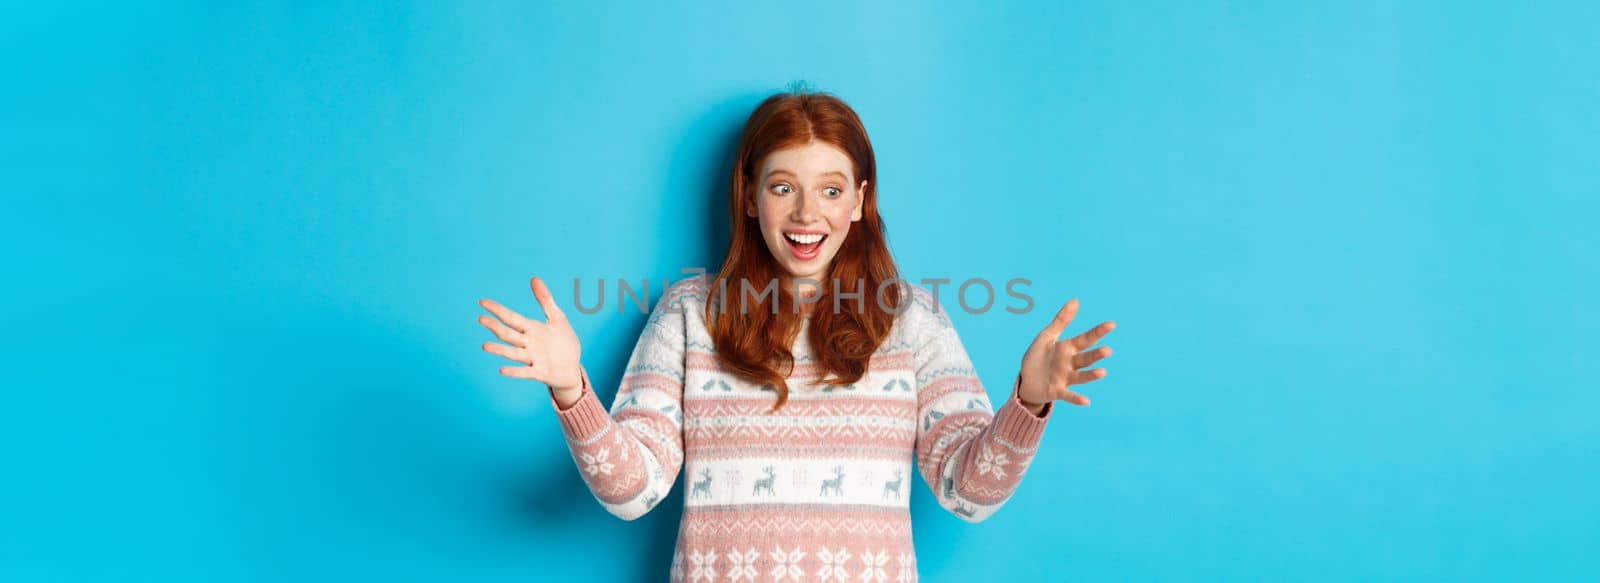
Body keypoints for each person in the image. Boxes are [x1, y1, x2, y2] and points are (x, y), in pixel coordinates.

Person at [476, 89, 1117, 582]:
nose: (808, 214)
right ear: (750, 196)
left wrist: (1028, 402)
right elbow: (633, 492)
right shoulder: (688, 315)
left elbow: (967, 493)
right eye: (783, 187)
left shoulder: (912, 321)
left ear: (860, 200)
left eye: (830, 190)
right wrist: (571, 390)